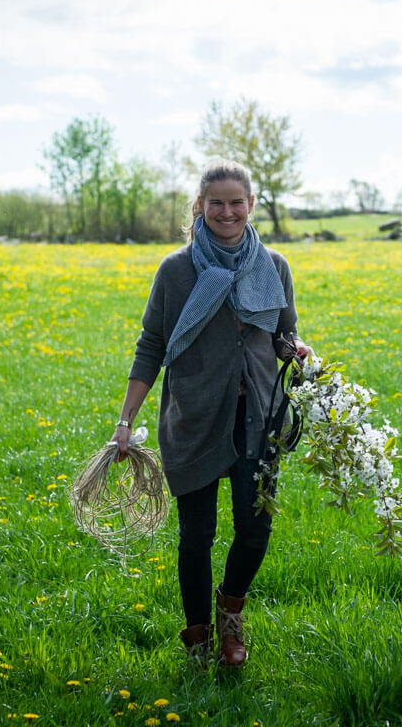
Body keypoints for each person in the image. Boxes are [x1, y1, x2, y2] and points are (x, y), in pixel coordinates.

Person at [110, 158, 309, 668]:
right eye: (215, 203)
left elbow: (284, 336)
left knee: (255, 529)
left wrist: (297, 349)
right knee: (196, 536)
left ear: (250, 206)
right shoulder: (176, 271)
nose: (226, 211)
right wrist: (126, 421)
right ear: (200, 206)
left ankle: (230, 615)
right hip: (194, 418)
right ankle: (197, 638)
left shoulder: (274, 266)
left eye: (235, 202)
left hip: (257, 419)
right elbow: (150, 345)